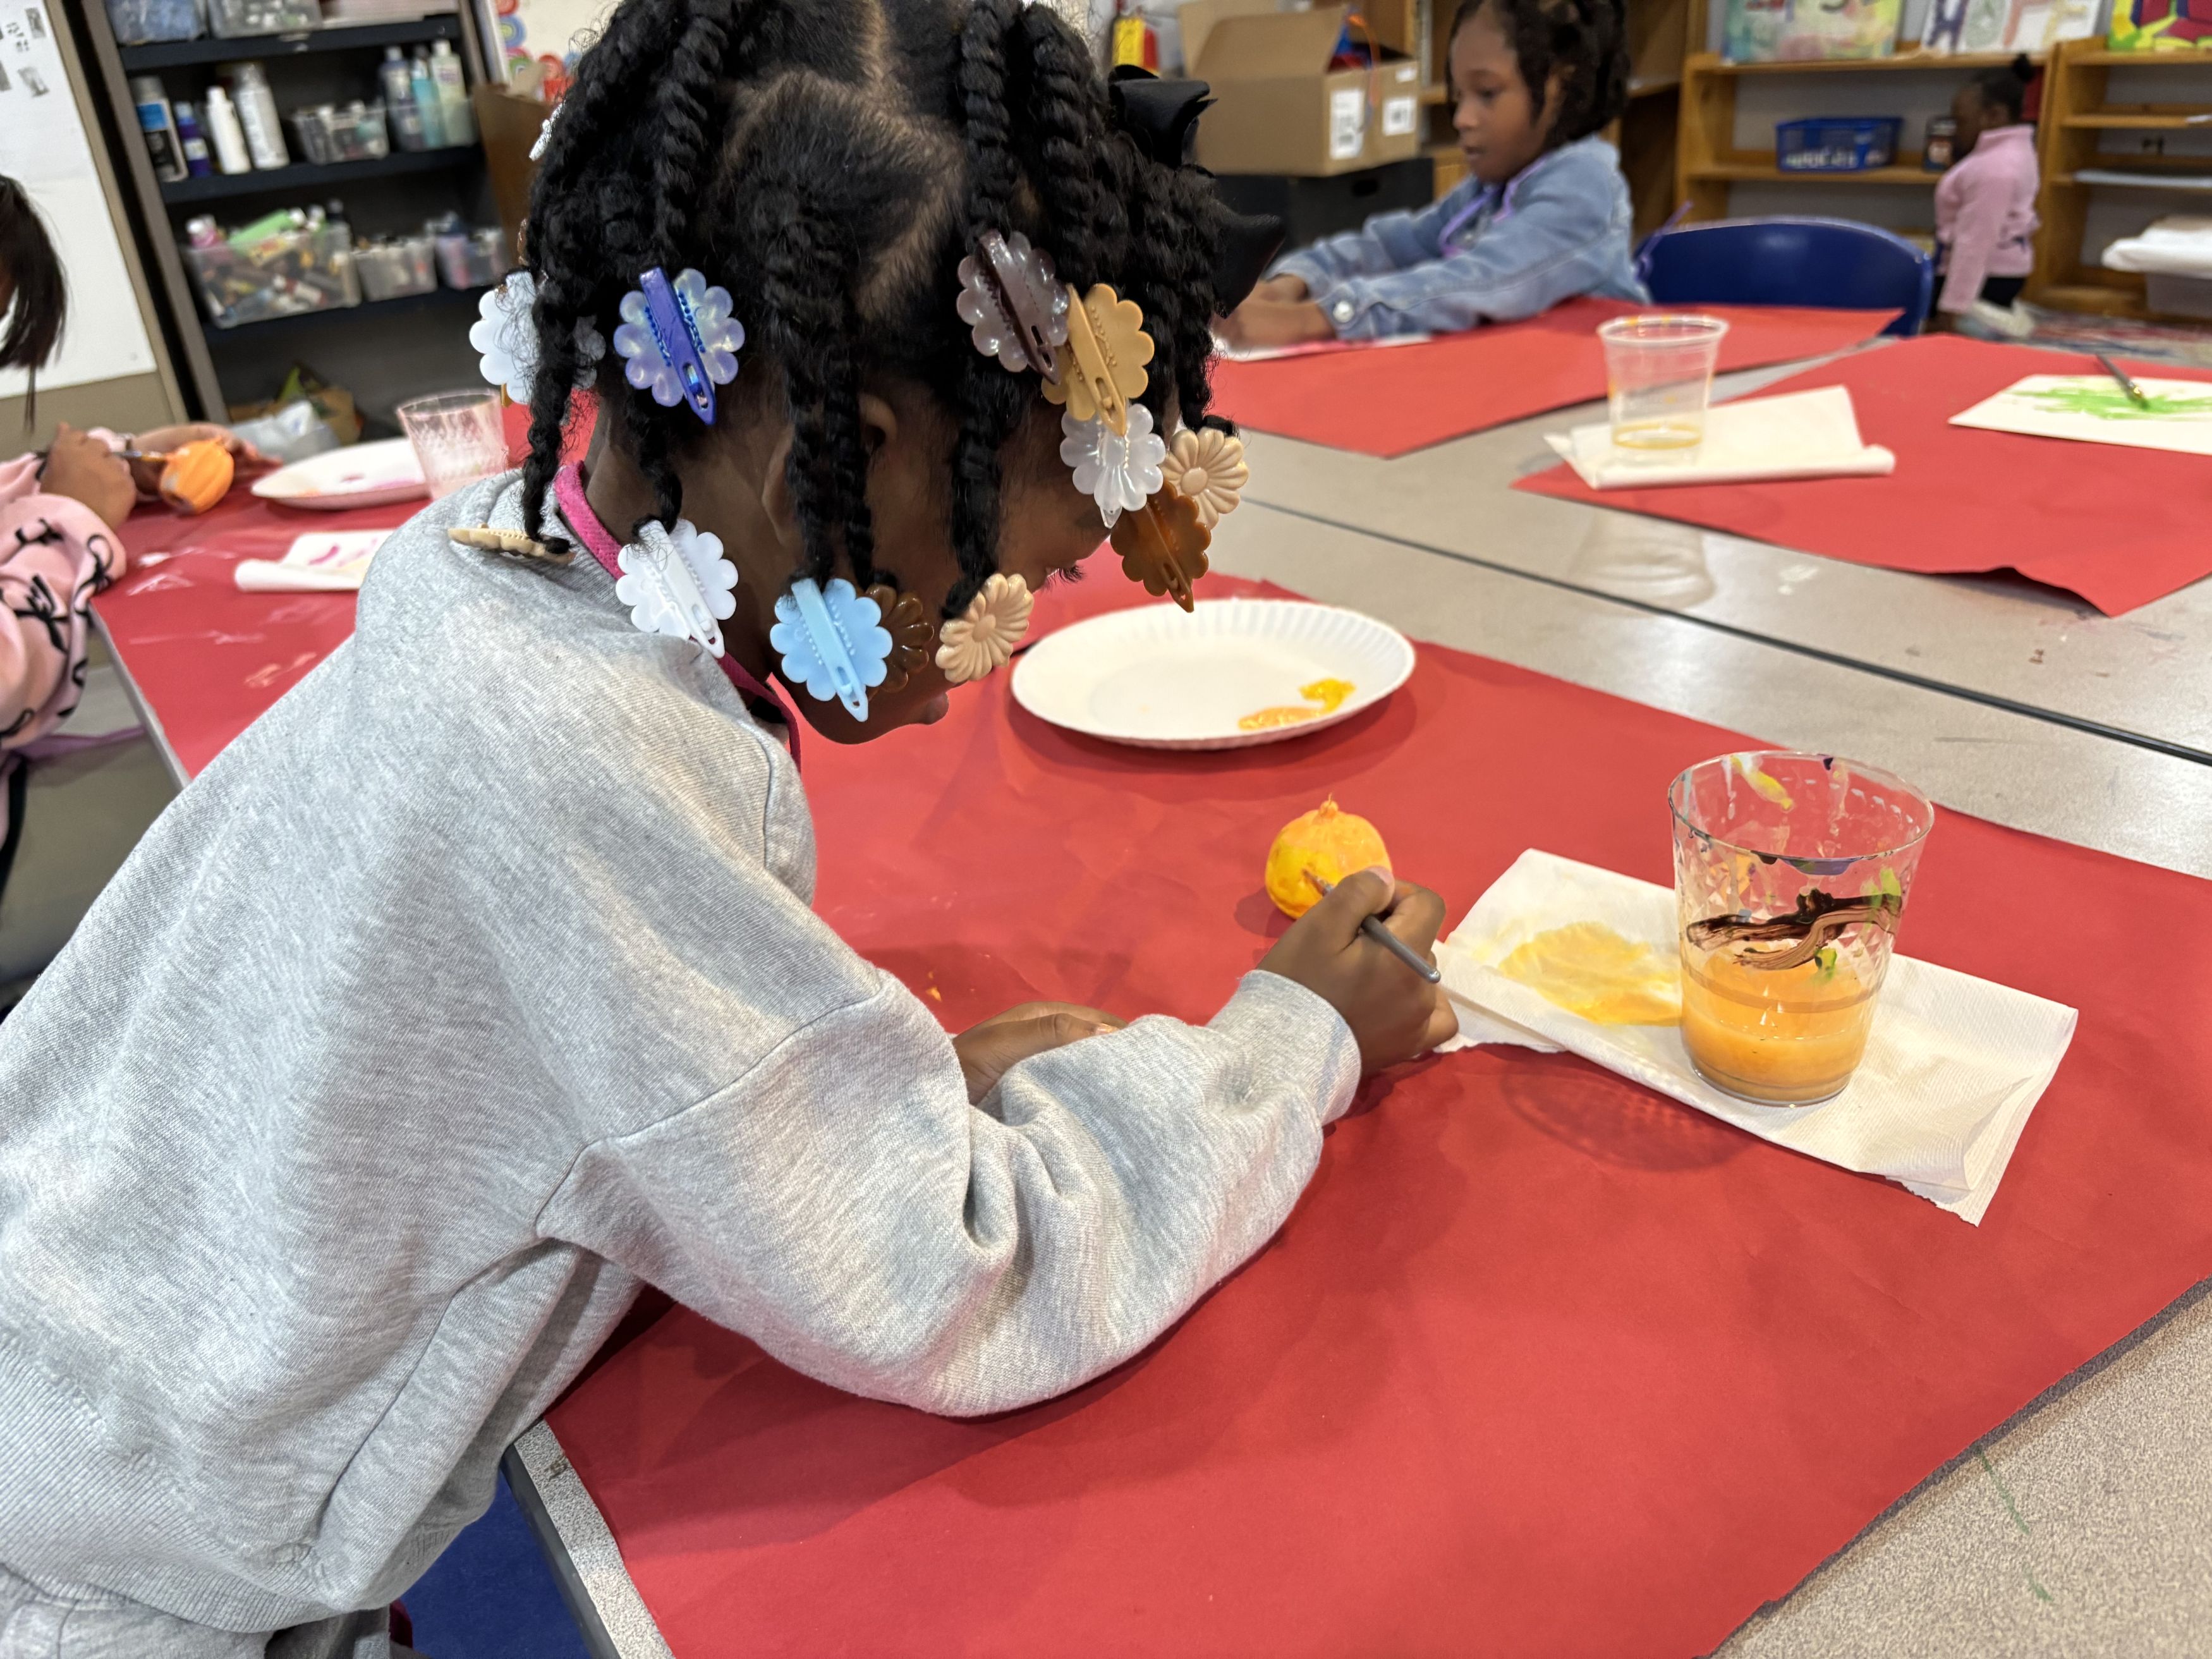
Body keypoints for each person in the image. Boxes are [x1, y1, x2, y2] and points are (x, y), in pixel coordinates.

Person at [0, 0, 1457, 1651]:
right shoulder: (582, 769)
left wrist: (836, 1093)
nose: (1012, 631)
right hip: (97, 1584)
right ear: (850, 460)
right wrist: (1295, 1041)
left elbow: (566, 1069)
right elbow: (957, 1278)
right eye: (1023, 571)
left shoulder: (497, 560)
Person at [1220, 0, 1646, 348]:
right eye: (1459, 97)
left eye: (1487, 93)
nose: (1462, 118)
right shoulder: (1489, 191)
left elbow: (1481, 281)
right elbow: (1399, 243)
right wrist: (1298, 280)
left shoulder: (1584, 185)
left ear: (1560, 87)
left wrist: (1316, 319)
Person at [1934, 55, 2039, 322]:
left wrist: (1951, 311)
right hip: (1998, 271)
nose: (1956, 131)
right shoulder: (2013, 152)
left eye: (1962, 122)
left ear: (1994, 116)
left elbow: (1975, 243)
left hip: (1986, 278)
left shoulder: (1995, 168)